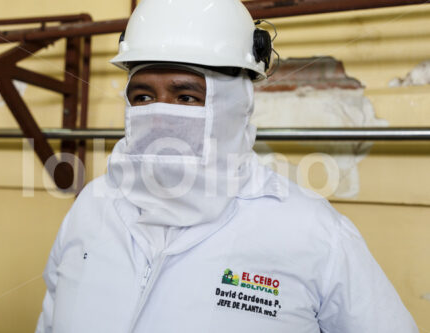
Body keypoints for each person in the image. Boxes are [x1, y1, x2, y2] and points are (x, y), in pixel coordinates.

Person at [35, 0, 418, 332]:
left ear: (237, 104)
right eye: (143, 95)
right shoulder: (91, 207)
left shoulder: (313, 233)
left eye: (186, 96)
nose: (160, 115)